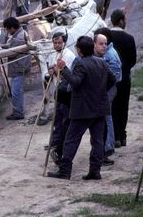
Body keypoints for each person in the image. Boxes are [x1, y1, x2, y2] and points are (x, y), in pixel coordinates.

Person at [47, 36, 116, 180]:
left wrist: (64, 68)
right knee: (97, 141)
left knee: (71, 139)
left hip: (83, 109)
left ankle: (65, 171)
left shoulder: (80, 63)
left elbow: (75, 82)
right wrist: (101, 92)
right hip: (99, 108)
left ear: (79, 50)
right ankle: (95, 171)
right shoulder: (101, 62)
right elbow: (113, 79)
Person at [0, 18, 31, 120]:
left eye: (7, 29)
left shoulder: (20, 37)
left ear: (12, 28)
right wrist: (0, 46)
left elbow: (12, 52)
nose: (7, 32)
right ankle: (18, 111)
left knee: (15, 91)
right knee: (17, 91)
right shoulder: (18, 34)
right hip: (18, 67)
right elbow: (10, 47)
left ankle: (18, 113)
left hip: (19, 67)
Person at [46, 32, 76, 164]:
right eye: (55, 42)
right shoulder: (54, 53)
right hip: (57, 88)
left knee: (63, 117)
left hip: (65, 91)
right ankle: (55, 141)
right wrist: (51, 70)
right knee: (57, 117)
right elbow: (51, 67)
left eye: (59, 42)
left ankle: (59, 144)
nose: (57, 45)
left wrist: (56, 70)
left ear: (64, 42)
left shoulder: (69, 55)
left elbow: (67, 73)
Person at [93, 31, 122, 165]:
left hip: (108, 91)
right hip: (104, 91)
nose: (104, 46)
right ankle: (105, 147)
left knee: (106, 118)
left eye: (105, 43)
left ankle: (107, 147)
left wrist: (103, 87)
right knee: (105, 118)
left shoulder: (110, 55)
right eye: (101, 44)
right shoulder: (102, 55)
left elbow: (116, 76)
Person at [109, 9, 137, 148]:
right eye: (124, 19)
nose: (125, 22)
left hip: (110, 79)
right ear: (120, 21)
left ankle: (115, 136)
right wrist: (124, 69)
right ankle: (123, 135)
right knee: (123, 106)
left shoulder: (107, 37)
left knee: (113, 106)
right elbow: (133, 60)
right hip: (125, 77)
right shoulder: (129, 38)